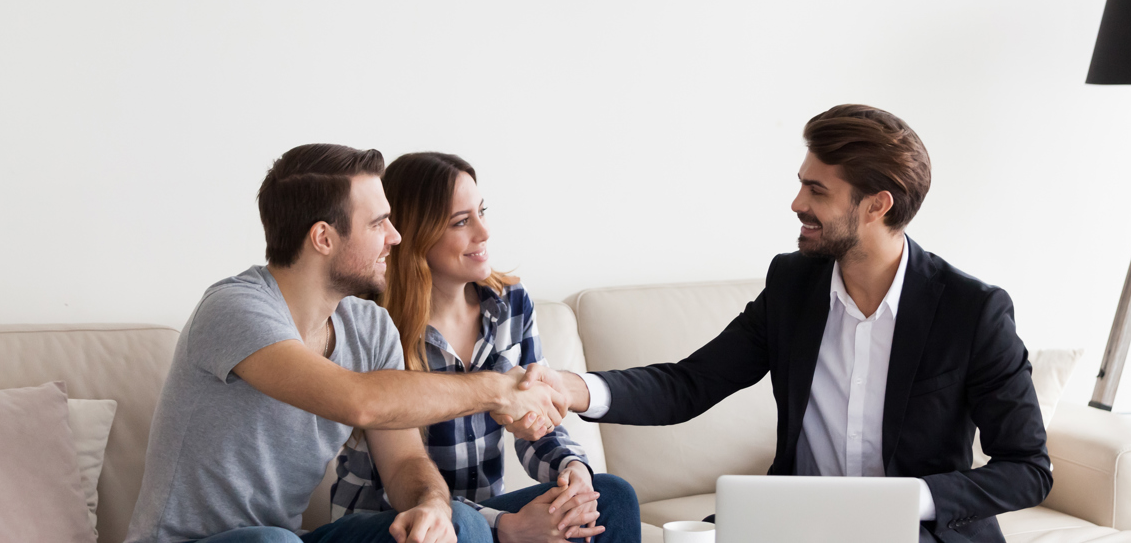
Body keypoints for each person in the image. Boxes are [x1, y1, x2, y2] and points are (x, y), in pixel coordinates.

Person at [532, 105, 1052, 543]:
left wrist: (905, 501)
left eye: (817, 191)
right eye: (801, 185)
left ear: (877, 205)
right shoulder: (792, 285)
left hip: (919, 531)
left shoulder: (971, 311)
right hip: (796, 524)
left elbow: (1028, 467)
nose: (797, 203)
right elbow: (689, 384)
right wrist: (572, 389)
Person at [126, 144, 566, 543]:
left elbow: (403, 462)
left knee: (460, 523)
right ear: (323, 238)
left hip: (291, 539)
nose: (395, 237)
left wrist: (430, 502)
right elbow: (359, 401)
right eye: (378, 224)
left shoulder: (369, 326)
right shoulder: (234, 309)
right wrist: (495, 390)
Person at [331, 152, 640, 543]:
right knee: (465, 524)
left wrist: (571, 471)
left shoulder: (509, 302)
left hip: (482, 520)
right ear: (414, 235)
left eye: (481, 211)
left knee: (610, 496)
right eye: (462, 222)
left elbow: (536, 423)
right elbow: (395, 482)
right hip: (399, 522)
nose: (484, 231)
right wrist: (506, 526)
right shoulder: (373, 324)